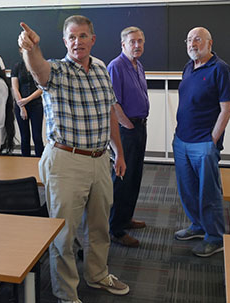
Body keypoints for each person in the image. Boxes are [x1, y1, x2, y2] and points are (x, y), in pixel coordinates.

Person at [18, 16, 129, 302]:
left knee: (99, 226)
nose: (77, 42)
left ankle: (97, 275)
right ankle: (66, 294)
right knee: (64, 235)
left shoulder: (103, 68)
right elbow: (39, 71)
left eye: (82, 36)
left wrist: (118, 153)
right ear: (65, 41)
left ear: (92, 39)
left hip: (100, 158)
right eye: (71, 37)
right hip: (66, 160)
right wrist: (30, 49)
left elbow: (110, 113)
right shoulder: (57, 71)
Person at [173, 27, 230, 257]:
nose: (192, 43)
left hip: (203, 143)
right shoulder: (188, 67)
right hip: (181, 140)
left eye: (197, 39)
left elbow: (226, 109)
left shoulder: (220, 68)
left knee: (208, 192)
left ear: (209, 42)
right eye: (189, 40)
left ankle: (215, 237)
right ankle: (198, 226)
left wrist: (213, 140)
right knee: (187, 189)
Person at [106, 26, 149, 248]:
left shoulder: (137, 65)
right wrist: (127, 125)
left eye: (140, 41)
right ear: (123, 44)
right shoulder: (116, 66)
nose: (137, 45)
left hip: (139, 127)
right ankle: (116, 228)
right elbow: (114, 103)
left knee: (135, 176)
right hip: (127, 130)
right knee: (122, 179)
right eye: (132, 41)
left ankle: (126, 217)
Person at [11, 48, 44, 157]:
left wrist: (27, 100)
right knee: (24, 137)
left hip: (36, 105)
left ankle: (40, 162)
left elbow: (42, 88)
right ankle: (25, 162)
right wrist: (22, 107)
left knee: (37, 136)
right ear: (20, 50)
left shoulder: (39, 66)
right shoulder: (17, 67)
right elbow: (15, 88)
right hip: (20, 106)